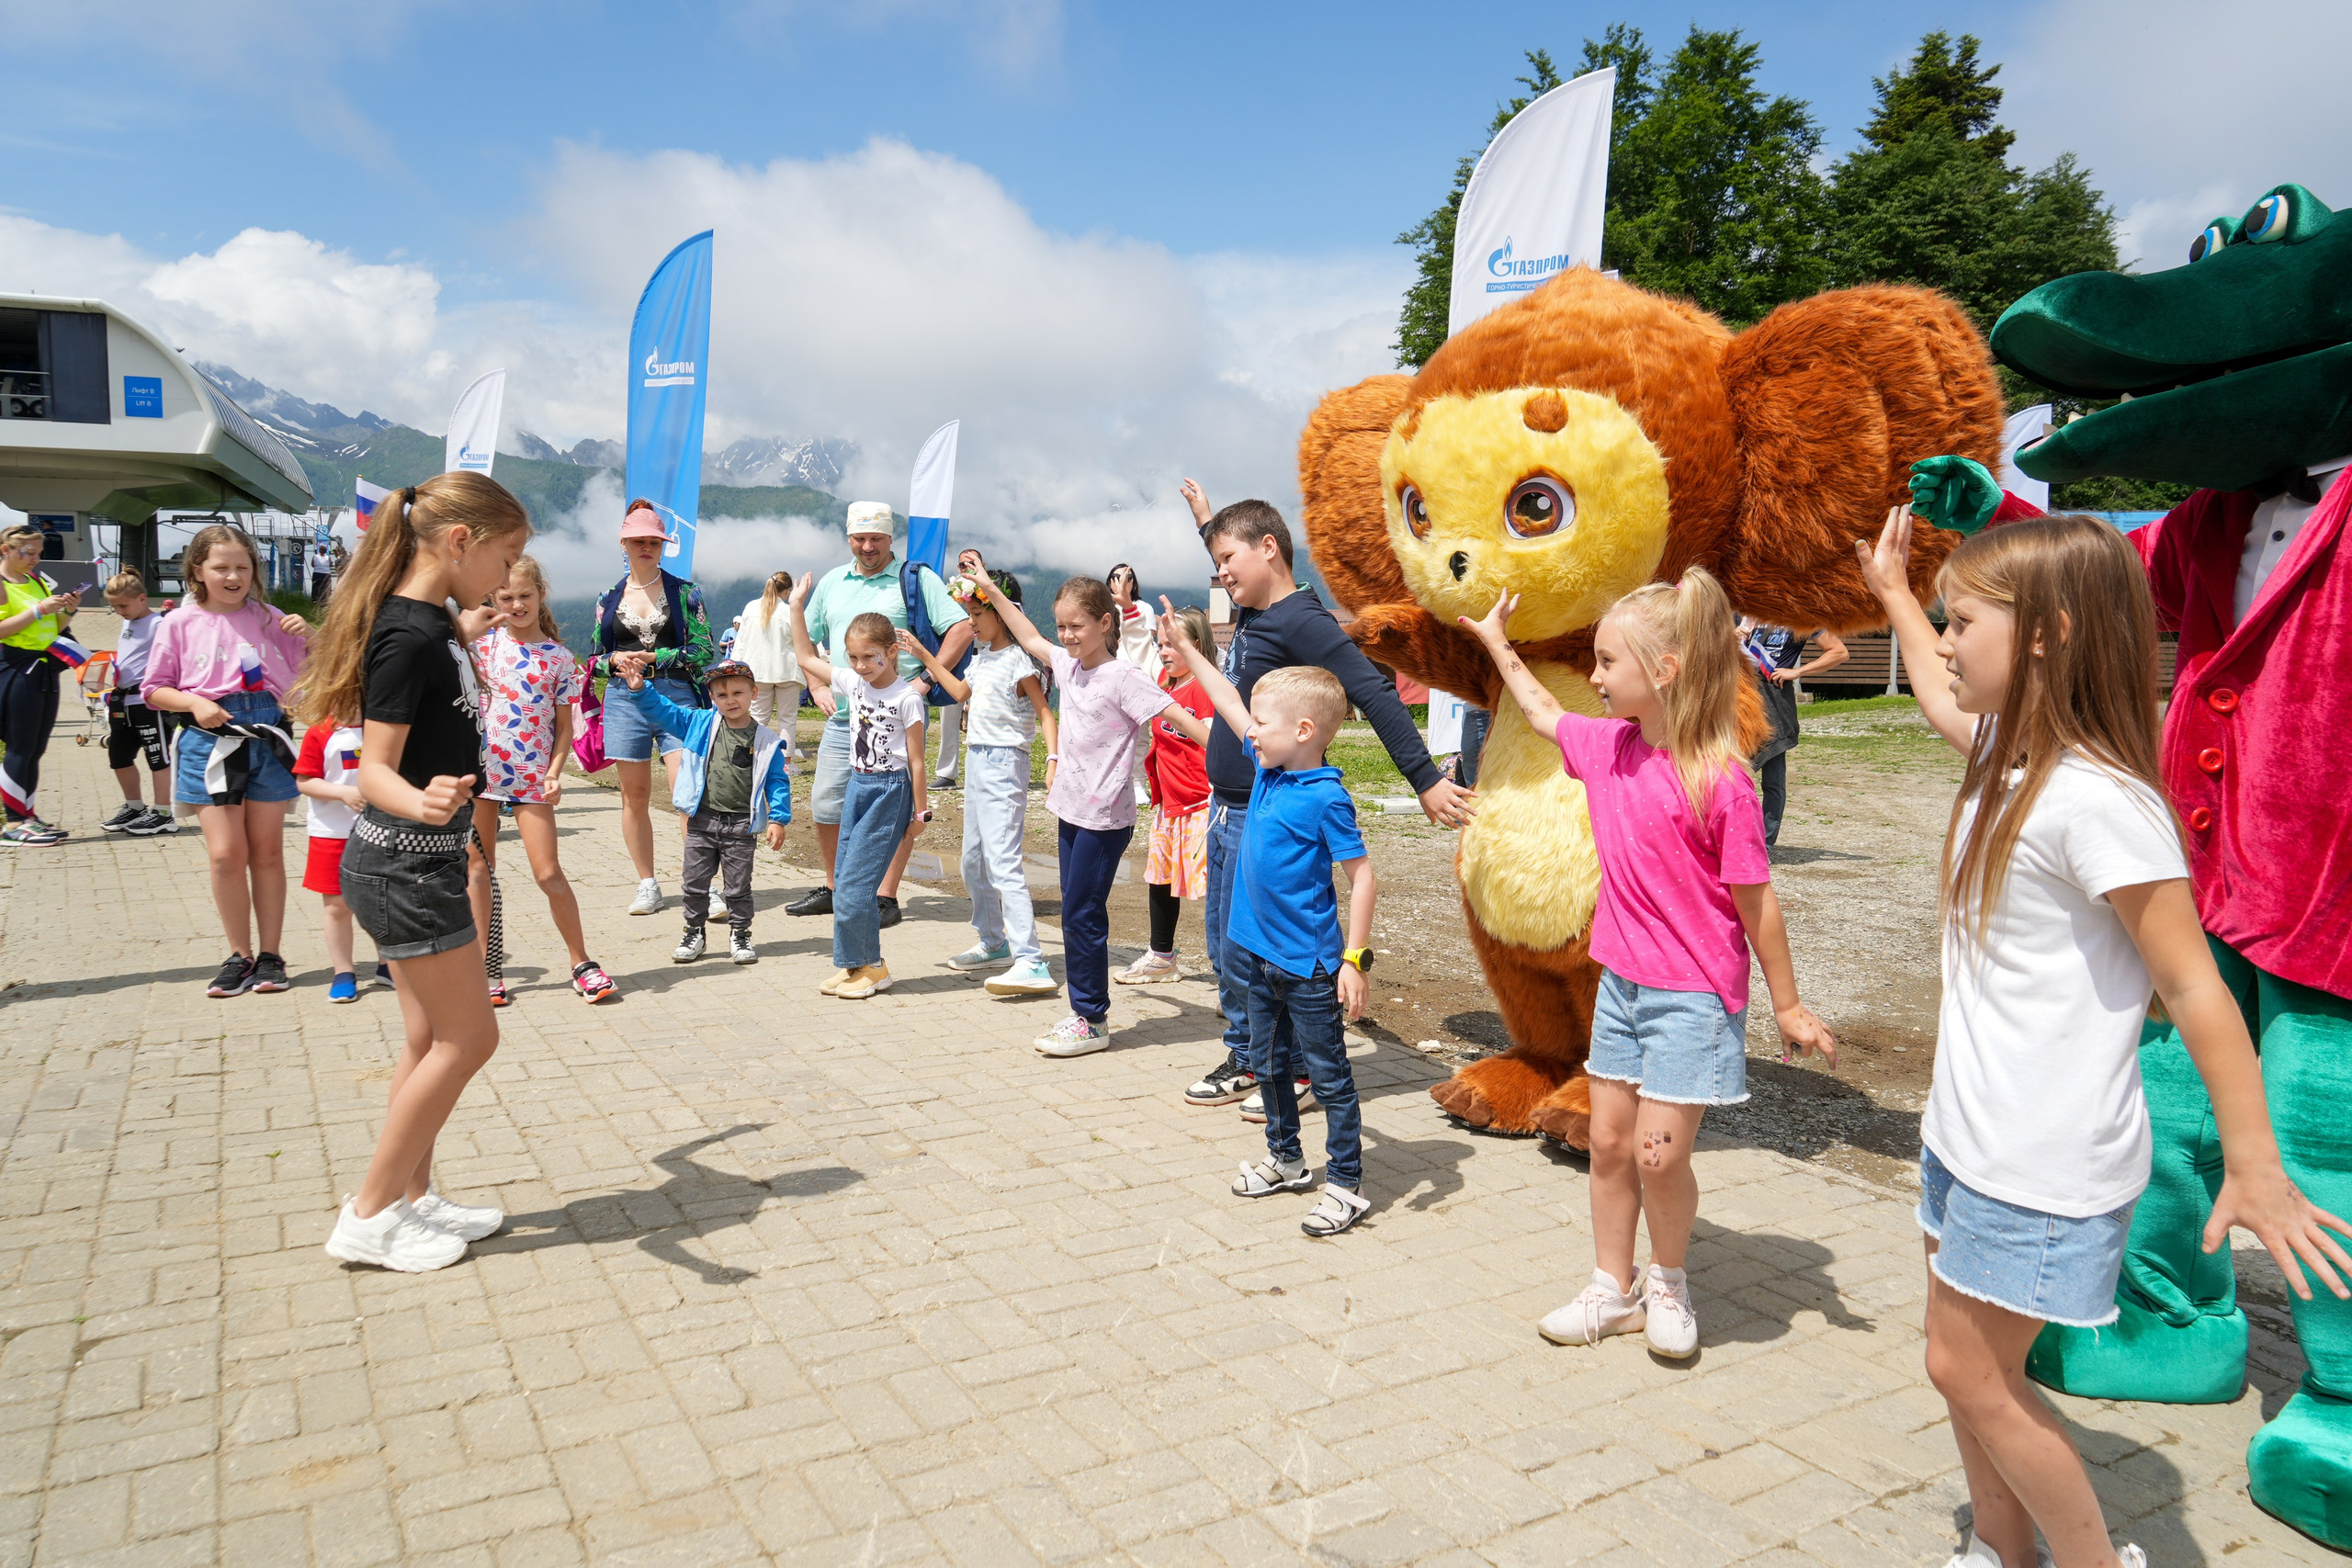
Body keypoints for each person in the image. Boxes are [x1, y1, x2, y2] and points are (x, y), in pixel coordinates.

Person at [1852, 506, 2352, 1568]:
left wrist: (2256, 1168)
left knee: (1967, 1372)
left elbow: (2196, 989)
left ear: (2045, 631)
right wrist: (1894, 594)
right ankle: (2001, 1548)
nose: (1942, 644)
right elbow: (1944, 699)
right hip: (1965, 1139)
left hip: (2043, 1163)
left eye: (1962, 619)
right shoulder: (2008, 757)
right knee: (1963, 1364)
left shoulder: (2099, 802)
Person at [1460, 569, 1837, 1358]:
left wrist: (1789, 1004)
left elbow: (1757, 902)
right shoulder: (1606, 749)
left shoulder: (1721, 779)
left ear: (1661, 671)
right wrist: (1496, 642)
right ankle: (1611, 1286)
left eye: (1606, 661)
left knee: (1659, 1156)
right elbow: (1539, 711)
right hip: (1622, 988)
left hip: (1693, 998)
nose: (1593, 676)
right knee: (1605, 1144)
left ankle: (1668, 1281)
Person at [1173, 481, 1476, 1109]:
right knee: (1229, 947)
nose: (1221, 572)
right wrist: (1209, 521)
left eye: (1229, 559)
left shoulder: (1303, 621)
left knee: (1265, 948)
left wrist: (1424, 778)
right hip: (1228, 806)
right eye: (1215, 562)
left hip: (1271, 814)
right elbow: (1236, 559)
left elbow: (1374, 690)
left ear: (1269, 549)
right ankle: (1252, 1056)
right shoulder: (1256, 609)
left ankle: (1298, 1068)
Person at [311, 472, 529, 1272]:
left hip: (420, 861)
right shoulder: (406, 634)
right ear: (460, 542)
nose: (508, 581)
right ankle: (368, 1215)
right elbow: (373, 769)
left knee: (426, 1037)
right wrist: (424, 800)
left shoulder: (435, 620)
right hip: (404, 863)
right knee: (471, 1037)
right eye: (506, 557)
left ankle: (411, 1196)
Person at [1162, 618, 1380, 1235]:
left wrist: (1354, 960)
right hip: (1256, 959)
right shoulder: (1266, 773)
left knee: (1330, 1075)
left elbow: (1362, 877)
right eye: (1253, 720)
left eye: (1263, 722)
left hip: (1309, 968)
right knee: (1269, 1064)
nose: (1248, 730)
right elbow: (1229, 702)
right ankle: (1287, 1159)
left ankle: (1345, 1182)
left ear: (1304, 731)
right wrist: (1186, 651)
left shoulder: (1326, 796)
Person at [971, 570, 1209, 1055]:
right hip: (1069, 809)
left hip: (1105, 819)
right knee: (1075, 909)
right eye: (1061, 626)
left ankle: (1090, 1017)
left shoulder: (1122, 676)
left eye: (1076, 626)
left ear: (1106, 622)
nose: (1065, 635)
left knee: (1081, 913)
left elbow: (1175, 715)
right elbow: (1029, 635)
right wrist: (991, 591)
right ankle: (1087, 1012)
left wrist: (1236, 750)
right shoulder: (1067, 665)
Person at [141, 524, 314, 997]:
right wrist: (193, 702)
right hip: (208, 739)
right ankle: (238, 955)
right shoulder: (177, 622)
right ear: (198, 570)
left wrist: (313, 635)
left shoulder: (269, 617)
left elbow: (319, 668)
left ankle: (271, 956)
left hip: (267, 736)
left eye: (242, 566)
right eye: (222, 567)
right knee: (225, 854)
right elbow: (153, 688)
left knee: (267, 852)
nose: (233, 576)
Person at [787, 502, 970, 928]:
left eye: (876, 539)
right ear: (848, 537)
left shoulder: (916, 578)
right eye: (859, 538)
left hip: (897, 715)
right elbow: (807, 642)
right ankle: (837, 888)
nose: (867, 547)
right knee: (826, 803)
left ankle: (886, 895)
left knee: (895, 807)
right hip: (843, 716)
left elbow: (961, 628)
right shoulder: (833, 581)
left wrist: (924, 680)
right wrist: (815, 686)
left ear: (892, 538)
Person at [897, 568, 1060, 997]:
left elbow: (1045, 712)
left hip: (1007, 761)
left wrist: (1054, 757)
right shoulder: (984, 656)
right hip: (977, 759)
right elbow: (959, 692)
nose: (970, 621)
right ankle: (993, 942)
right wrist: (924, 654)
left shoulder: (1020, 659)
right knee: (973, 860)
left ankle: (1031, 960)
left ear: (1001, 613)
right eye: (968, 613)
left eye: (976, 612)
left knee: (1003, 861)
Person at [469, 556, 617, 1004]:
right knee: (479, 870)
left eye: (525, 596)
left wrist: (555, 773)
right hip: (480, 776)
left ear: (541, 596)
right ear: (493, 599)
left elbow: (565, 727)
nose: (517, 604)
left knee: (548, 872)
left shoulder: (558, 658)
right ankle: (483, 970)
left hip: (533, 778)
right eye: (507, 597)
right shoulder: (480, 647)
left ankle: (581, 962)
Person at [789, 579, 929, 998]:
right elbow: (803, 655)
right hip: (859, 786)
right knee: (843, 881)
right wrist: (797, 606)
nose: (863, 664)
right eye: (853, 657)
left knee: (855, 885)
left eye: (871, 656)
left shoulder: (908, 698)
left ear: (892, 652)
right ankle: (854, 967)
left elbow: (918, 760)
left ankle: (875, 968)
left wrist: (921, 814)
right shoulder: (852, 683)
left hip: (891, 791)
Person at [610, 655, 791, 967]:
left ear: (754, 693)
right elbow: (663, 711)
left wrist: (778, 818)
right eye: (722, 695)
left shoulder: (767, 741)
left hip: (741, 826)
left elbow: (777, 782)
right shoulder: (699, 723)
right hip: (702, 820)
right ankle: (694, 931)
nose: (730, 700)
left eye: (738, 693)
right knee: (694, 883)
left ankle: (740, 933)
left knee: (738, 886)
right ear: (712, 697)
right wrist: (640, 689)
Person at [589, 500, 716, 918]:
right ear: (623, 543)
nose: (646, 548)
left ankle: (703, 886)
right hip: (624, 699)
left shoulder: (686, 592)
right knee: (634, 795)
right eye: (638, 541)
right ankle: (648, 884)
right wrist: (611, 662)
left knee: (687, 790)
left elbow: (702, 650)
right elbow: (593, 657)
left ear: (664, 546)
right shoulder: (607, 598)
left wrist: (652, 658)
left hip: (676, 694)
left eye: (654, 542)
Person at [1120, 604, 1215, 984]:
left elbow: (1214, 743)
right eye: (1161, 644)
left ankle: (1236, 978)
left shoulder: (1207, 690)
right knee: (1159, 880)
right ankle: (1162, 957)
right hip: (1168, 804)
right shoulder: (1164, 683)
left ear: (1195, 645)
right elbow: (1138, 649)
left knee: (1215, 891)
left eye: (1172, 644)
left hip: (1202, 803)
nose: (1163, 652)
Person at [293, 709, 388, 1002]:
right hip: (331, 833)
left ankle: (388, 965)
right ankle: (343, 972)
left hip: (381, 830)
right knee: (336, 906)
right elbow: (305, 781)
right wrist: (341, 793)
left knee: (381, 902)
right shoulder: (319, 732)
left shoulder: (383, 727)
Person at [0, 520, 82, 846]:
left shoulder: (35, 581)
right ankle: (14, 822)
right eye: (28, 552)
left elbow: (53, 628)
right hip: (15, 669)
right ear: (6, 550)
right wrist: (37, 610)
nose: (35, 559)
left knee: (36, 748)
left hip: (43, 669)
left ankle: (27, 815)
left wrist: (69, 612)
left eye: (38, 553)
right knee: (19, 747)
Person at [1739, 618, 1848, 849]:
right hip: (1741, 701)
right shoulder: (1747, 614)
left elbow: (1839, 652)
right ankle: (1734, 839)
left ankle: (1763, 845)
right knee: (1732, 777)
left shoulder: (1802, 618)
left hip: (1775, 705)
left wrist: (1797, 671)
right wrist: (1733, 635)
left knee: (1773, 782)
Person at [96, 569, 176, 837]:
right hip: (123, 699)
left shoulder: (159, 624)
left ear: (142, 598)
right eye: (113, 606)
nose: (119, 611)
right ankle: (134, 807)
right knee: (118, 755)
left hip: (148, 700)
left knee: (157, 756)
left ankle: (163, 812)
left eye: (123, 605)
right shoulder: (126, 622)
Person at [925, 546, 990, 791]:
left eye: (972, 563)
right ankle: (947, 773)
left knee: (985, 715)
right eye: (963, 564)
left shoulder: (991, 590)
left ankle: (982, 771)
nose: (967, 568)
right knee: (949, 716)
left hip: (984, 655)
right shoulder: (948, 591)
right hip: (958, 658)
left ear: (981, 564)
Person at [736, 571, 807, 763]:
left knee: (758, 718)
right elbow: (803, 642)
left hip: (757, 672)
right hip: (787, 672)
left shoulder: (750, 608)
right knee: (787, 719)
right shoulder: (791, 611)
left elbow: (740, 642)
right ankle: (786, 764)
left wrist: (736, 669)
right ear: (788, 591)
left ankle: (756, 759)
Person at [1108, 562, 1159, 807]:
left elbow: (1143, 639)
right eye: (1116, 577)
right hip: (1109, 674)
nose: (1121, 581)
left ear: (1134, 582)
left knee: (1140, 735)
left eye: (1127, 577)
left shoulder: (1143, 608)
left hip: (1138, 674)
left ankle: (1137, 782)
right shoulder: (1104, 608)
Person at [308, 536, 334, 604]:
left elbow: (312, 564)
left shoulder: (315, 556)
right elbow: (330, 564)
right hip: (326, 573)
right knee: (325, 587)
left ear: (319, 550)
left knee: (316, 586)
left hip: (317, 572)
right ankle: (325, 599)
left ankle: (315, 599)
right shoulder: (328, 557)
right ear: (326, 551)